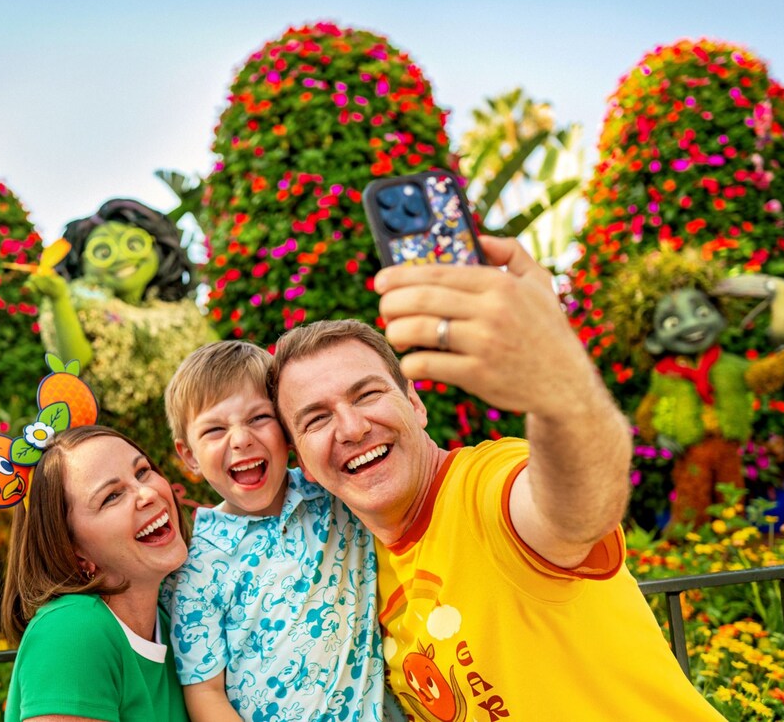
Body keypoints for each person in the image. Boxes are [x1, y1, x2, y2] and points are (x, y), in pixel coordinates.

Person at [269, 236, 724, 720]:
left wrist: (559, 387)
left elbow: (575, 509)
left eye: (367, 395)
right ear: (303, 463)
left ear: (415, 404)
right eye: (316, 419)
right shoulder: (356, 568)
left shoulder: (483, 485)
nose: (352, 428)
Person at [160, 341, 405, 721]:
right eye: (215, 429)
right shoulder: (196, 566)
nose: (240, 439)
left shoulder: (336, 494)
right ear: (189, 455)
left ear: (288, 430)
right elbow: (205, 692)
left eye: (259, 418)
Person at [0, 424, 192, 722]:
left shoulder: (170, 621)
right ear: (73, 550)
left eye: (142, 471)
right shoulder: (70, 632)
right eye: (111, 496)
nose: (147, 493)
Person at [28, 199, 213, 481]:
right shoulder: (79, 303)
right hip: (123, 448)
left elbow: (220, 358)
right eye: (103, 251)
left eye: (134, 244)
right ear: (82, 263)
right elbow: (74, 364)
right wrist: (59, 299)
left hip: (190, 443)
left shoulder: (180, 313)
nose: (121, 257)